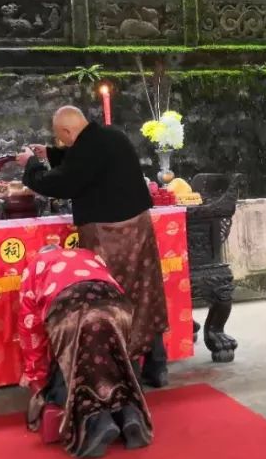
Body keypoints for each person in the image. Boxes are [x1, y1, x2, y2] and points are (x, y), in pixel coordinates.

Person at [18, 106, 170, 388]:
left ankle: (124, 371)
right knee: (146, 292)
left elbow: (64, 182)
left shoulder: (87, 150)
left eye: (60, 139)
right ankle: (156, 363)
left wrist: (31, 165)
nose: (61, 143)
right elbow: (84, 162)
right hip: (140, 225)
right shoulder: (110, 135)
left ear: (66, 131)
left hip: (109, 234)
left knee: (111, 297)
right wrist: (49, 154)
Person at [19, 242, 152, 459]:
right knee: (117, 362)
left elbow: (30, 328)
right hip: (115, 306)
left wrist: (35, 374)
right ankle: (130, 415)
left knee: (74, 369)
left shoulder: (34, 266)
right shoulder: (88, 255)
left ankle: (97, 422)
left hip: (70, 308)